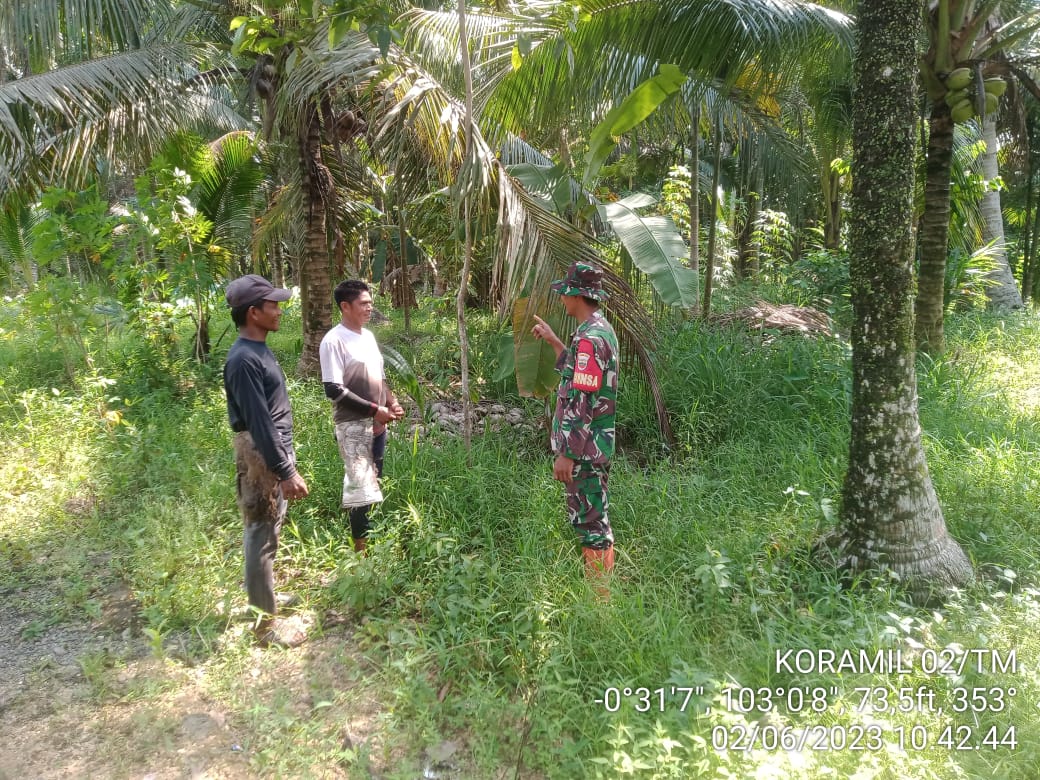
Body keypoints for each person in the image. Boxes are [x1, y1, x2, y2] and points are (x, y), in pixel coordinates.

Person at [223, 274, 309, 647]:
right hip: (261, 452)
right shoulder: (243, 359)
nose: (278, 310)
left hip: (270, 448)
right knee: (260, 533)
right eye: (272, 305)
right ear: (253, 312)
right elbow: (259, 422)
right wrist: (285, 470)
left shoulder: (258, 349)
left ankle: (265, 597)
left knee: (270, 528)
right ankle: (264, 627)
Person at [531, 261, 619, 599]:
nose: (562, 298)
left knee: (591, 523)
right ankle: (601, 596)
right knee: (593, 517)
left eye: (565, 292)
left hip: (583, 450)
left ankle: (600, 603)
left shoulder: (589, 339)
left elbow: (581, 401)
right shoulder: (598, 331)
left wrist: (566, 453)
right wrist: (555, 342)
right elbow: (581, 377)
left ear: (576, 294)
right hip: (594, 445)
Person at [319, 280, 403, 553]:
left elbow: (380, 375)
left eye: (370, 302)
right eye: (363, 303)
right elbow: (333, 389)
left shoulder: (367, 337)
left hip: (378, 424)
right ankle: (361, 553)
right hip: (353, 425)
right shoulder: (334, 341)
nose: (370, 308)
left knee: (375, 477)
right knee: (360, 488)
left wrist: (392, 402)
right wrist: (374, 409)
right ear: (345, 306)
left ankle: (373, 539)